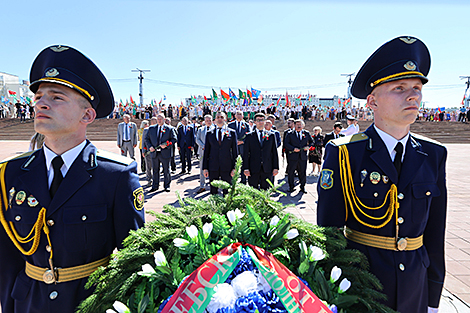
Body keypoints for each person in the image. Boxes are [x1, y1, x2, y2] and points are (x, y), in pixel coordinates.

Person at [0, 45, 145, 313]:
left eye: (56, 97)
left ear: (87, 115)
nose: (41, 103)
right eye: (39, 96)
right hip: (28, 303)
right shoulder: (10, 173)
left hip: (90, 304)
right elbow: (8, 259)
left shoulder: (115, 176)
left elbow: (133, 263)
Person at [317, 36, 447, 313]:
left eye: (416, 88)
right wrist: (332, 291)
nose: (413, 95)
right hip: (362, 288)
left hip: (415, 286)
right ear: (372, 101)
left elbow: (435, 233)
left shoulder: (434, 154)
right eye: (399, 88)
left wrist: (433, 297)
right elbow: (330, 234)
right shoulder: (344, 154)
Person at [203, 112, 238, 195]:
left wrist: (235, 167)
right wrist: (205, 168)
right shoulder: (209, 133)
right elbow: (206, 151)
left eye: (221, 117)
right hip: (213, 165)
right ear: (215, 120)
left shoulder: (232, 133)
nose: (219, 119)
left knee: (227, 190)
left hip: (227, 166)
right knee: (213, 190)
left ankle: (227, 207)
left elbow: (235, 151)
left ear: (225, 119)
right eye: (218, 117)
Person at [243, 113, 279, 190]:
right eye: (258, 120)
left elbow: (274, 153)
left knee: (265, 190)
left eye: (262, 120)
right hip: (253, 168)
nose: (261, 122)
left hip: (267, 168)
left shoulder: (271, 135)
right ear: (255, 122)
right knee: (253, 190)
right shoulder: (249, 136)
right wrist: (245, 168)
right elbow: (246, 153)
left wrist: (275, 167)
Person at [145, 113, 177, 192]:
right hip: (154, 153)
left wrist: (166, 144)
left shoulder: (169, 129)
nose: (159, 120)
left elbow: (174, 139)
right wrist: (150, 147)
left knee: (166, 170)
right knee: (155, 170)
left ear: (164, 119)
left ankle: (167, 186)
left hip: (165, 153)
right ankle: (155, 186)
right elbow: (146, 139)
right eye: (158, 119)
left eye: (161, 119)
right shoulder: (151, 128)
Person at [284, 119, 313, 193]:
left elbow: (312, 142)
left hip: (302, 156)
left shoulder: (306, 133)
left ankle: (302, 186)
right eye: (297, 124)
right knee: (291, 172)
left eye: (300, 124)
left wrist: (308, 147)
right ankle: (291, 186)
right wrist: (293, 149)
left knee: (302, 172)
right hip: (293, 156)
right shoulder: (290, 133)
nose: (298, 126)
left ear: (303, 125)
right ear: (294, 125)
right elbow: (286, 144)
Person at [228, 110, 249, 184]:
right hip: (233, 147)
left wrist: (242, 141)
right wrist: (234, 142)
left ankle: (243, 180)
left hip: (243, 147)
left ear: (243, 116)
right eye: (238, 114)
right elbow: (228, 135)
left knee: (243, 163)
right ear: (235, 116)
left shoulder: (247, 125)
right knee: (233, 163)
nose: (239, 116)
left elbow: (249, 135)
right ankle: (233, 180)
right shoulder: (230, 125)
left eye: (240, 114)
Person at [195, 115, 213, 193]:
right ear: (204, 121)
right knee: (202, 168)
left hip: (212, 152)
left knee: (213, 168)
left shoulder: (215, 129)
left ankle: (213, 185)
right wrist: (203, 146)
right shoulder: (200, 129)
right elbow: (197, 139)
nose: (208, 122)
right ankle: (202, 186)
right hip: (203, 151)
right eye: (207, 121)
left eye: (210, 120)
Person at [142, 117, 157, 185]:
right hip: (148, 151)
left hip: (156, 151)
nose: (155, 122)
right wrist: (143, 150)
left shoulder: (158, 129)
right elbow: (143, 141)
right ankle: (149, 179)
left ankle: (155, 179)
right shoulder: (146, 130)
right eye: (153, 121)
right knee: (148, 166)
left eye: (156, 121)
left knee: (156, 166)